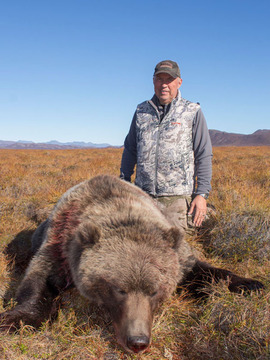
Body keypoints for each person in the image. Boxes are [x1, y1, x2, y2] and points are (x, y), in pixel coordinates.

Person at [120, 60, 212, 231]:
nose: (164, 85)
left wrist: (201, 194)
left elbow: (203, 154)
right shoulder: (141, 111)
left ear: (179, 82)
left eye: (169, 79)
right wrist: (124, 183)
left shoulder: (192, 111)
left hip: (177, 201)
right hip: (143, 198)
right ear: (153, 81)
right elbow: (130, 149)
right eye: (159, 79)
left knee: (175, 251)